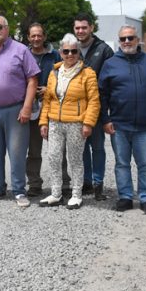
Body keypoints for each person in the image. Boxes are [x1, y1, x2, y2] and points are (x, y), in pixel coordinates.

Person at [0, 15, 40, 208]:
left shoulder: (21, 50)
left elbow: (32, 80)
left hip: (15, 110)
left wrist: (27, 107)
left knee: (17, 152)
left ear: (7, 28)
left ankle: (20, 191)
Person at [99, 25, 146, 215]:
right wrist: (106, 119)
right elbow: (102, 94)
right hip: (119, 124)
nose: (126, 42)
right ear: (119, 41)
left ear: (137, 39)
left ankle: (145, 198)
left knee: (145, 164)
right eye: (123, 39)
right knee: (122, 163)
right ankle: (125, 196)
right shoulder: (110, 64)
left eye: (130, 38)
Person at [38, 34, 100, 209]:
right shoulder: (54, 72)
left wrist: (88, 123)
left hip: (76, 124)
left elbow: (94, 100)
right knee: (53, 157)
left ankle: (76, 195)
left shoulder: (88, 73)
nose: (70, 54)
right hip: (55, 123)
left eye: (74, 51)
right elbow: (48, 100)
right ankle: (56, 194)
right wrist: (43, 122)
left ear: (79, 52)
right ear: (61, 52)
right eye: (66, 51)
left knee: (75, 160)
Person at [73, 13, 114, 199]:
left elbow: (110, 82)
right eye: (77, 28)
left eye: (84, 27)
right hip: (75, 109)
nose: (81, 31)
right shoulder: (71, 49)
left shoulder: (104, 50)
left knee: (97, 147)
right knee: (81, 148)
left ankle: (98, 183)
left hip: (96, 107)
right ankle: (86, 182)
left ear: (91, 28)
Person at [25, 23, 60, 198]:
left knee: (57, 149)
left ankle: (63, 184)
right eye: (33, 36)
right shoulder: (23, 54)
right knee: (34, 150)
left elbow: (66, 78)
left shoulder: (56, 55)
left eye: (39, 35)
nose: (36, 39)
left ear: (44, 37)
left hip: (53, 108)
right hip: (31, 108)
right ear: (28, 38)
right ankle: (34, 184)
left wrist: (49, 89)